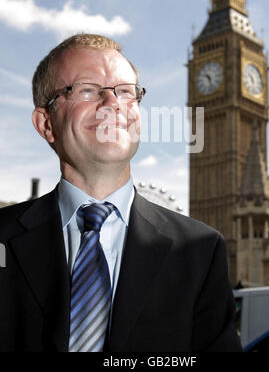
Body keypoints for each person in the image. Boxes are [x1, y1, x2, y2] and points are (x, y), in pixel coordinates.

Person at [0, 34, 242, 352]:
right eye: (87, 90)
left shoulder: (200, 250)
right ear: (46, 124)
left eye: (126, 92)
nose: (113, 104)